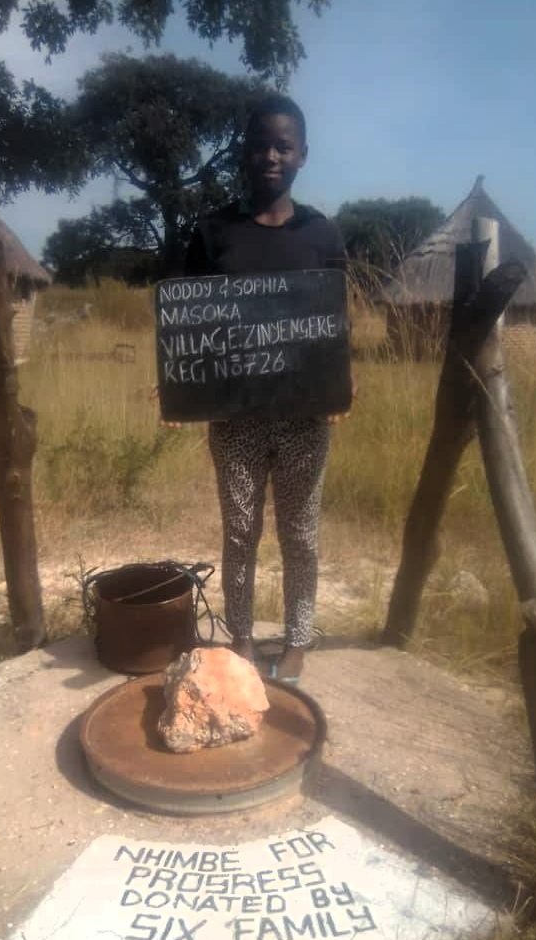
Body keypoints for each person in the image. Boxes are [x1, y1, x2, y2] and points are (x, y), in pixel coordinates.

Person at [183, 94, 349, 684]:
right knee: (240, 531)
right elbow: (191, 322)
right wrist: (183, 392)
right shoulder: (214, 232)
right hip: (235, 418)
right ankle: (245, 639)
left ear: (303, 154)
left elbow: (332, 323)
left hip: (305, 415)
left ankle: (299, 641)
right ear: (243, 153)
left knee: (300, 534)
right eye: (260, 145)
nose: (271, 156)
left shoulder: (322, 234)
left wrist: (335, 392)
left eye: (283, 145)